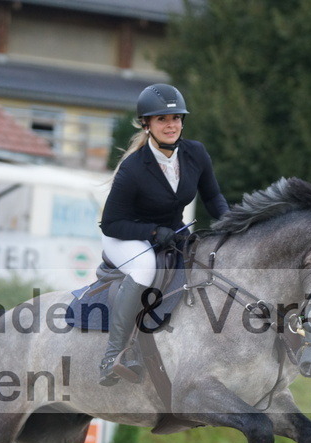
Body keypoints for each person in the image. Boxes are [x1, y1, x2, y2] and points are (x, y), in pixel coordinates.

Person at [97, 83, 229, 386]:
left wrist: (232, 225)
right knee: (146, 269)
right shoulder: (133, 168)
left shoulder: (195, 153)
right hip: (126, 236)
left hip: (171, 233)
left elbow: (213, 197)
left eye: (177, 119)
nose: (172, 125)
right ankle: (112, 356)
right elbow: (111, 223)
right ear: (147, 124)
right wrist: (154, 232)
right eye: (162, 120)